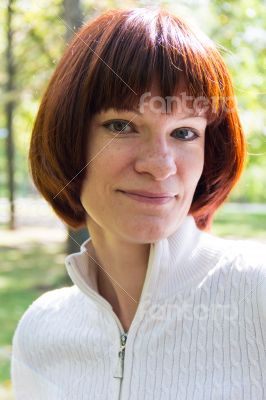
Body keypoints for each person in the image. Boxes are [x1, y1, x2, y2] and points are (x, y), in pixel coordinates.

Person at [11, 7, 266, 400]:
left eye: (184, 132)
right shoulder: (40, 332)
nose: (160, 165)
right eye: (122, 126)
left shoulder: (258, 294)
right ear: (69, 139)